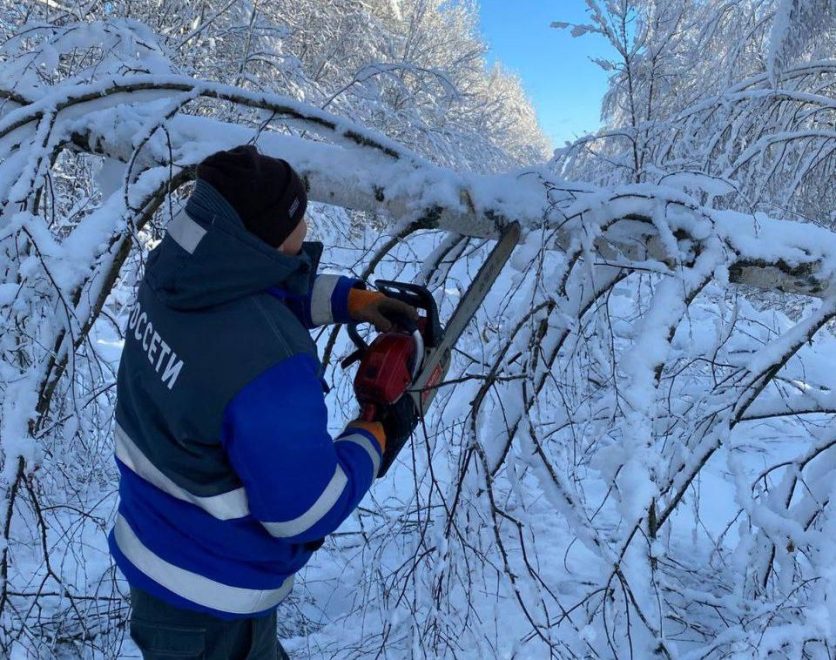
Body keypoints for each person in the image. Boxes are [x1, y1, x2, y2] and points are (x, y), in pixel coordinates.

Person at [108, 145, 419, 659]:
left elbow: (249, 294)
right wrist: (374, 434)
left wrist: (351, 301)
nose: (308, 228)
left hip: (154, 545)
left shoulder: (175, 272)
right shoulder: (268, 365)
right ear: (267, 236)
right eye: (299, 220)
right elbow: (305, 511)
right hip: (212, 600)